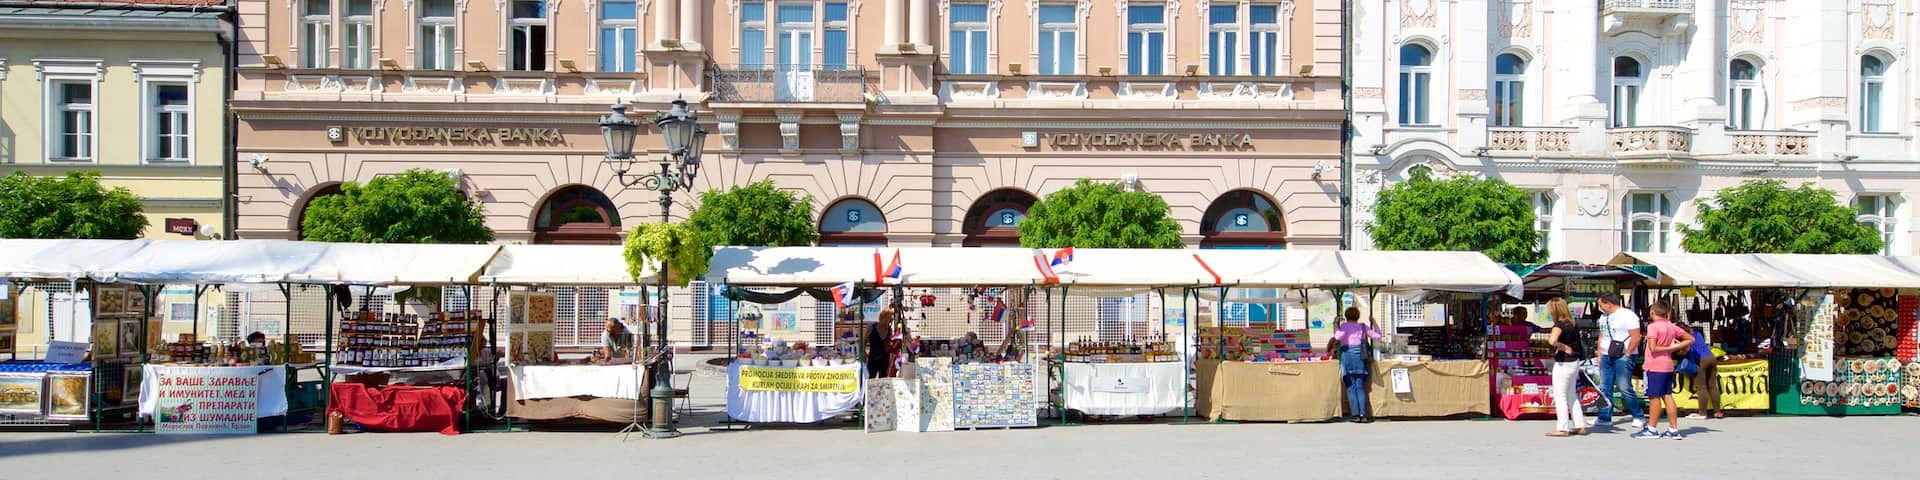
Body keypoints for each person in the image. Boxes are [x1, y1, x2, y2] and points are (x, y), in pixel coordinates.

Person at [1635, 301, 1694, 440]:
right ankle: (1673, 429)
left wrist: (1670, 348)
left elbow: (1653, 348)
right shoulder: (1671, 326)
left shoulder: (1653, 327)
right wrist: (1675, 347)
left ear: (1652, 312)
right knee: (1667, 395)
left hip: (1655, 366)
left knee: (1654, 397)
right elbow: (1690, 338)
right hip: (1668, 365)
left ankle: (1652, 428)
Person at [1593, 293, 1646, 430]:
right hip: (1606, 355)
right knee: (1604, 386)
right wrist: (1599, 353)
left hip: (1623, 355)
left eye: (1601, 305)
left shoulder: (1628, 316)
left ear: (1609, 304)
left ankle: (1638, 415)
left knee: (1624, 386)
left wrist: (1628, 353)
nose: (1600, 308)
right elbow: (1601, 335)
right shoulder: (1603, 317)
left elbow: (1636, 336)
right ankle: (1604, 416)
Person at [1330, 306, 1384, 423]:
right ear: (1358, 316)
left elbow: (1337, 337)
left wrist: (1335, 324)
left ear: (1346, 316)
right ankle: (1363, 414)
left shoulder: (1344, 326)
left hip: (1347, 357)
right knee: (1360, 386)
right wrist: (1374, 322)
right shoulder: (1363, 327)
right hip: (1360, 358)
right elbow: (1378, 336)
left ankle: (1355, 414)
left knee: (1351, 387)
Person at [1544, 299, 1588, 437]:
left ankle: (1562, 428)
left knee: (1560, 395)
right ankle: (1579, 425)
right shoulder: (1573, 323)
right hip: (1574, 362)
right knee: (1571, 394)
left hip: (1563, 362)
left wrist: (1562, 346)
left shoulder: (1558, 325)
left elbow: (1552, 341)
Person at [1685, 321, 1724, 420]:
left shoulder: (1685, 337)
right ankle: (1717, 411)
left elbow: (1687, 350)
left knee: (1701, 387)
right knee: (1712, 385)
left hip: (1700, 360)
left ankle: (1702, 412)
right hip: (1711, 357)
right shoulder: (1697, 333)